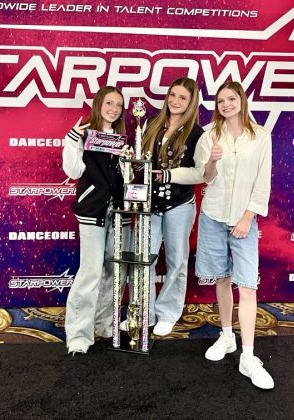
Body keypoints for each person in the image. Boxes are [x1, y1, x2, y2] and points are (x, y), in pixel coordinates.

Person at [195, 81, 274, 389]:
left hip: (244, 221)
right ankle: (227, 336)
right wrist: (212, 160)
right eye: (221, 100)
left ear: (241, 100)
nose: (226, 104)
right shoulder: (209, 135)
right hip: (213, 217)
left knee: (248, 286)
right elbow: (205, 178)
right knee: (222, 279)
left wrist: (247, 217)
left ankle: (249, 357)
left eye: (231, 98)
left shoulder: (261, 136)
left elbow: (262, 182)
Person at [122, 77, 205, 337]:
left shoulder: (197, 134)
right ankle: (142, 314)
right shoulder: (151, 123)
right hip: (150, 204)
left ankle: (168, 313)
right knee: (143, 259)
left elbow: (200, 173)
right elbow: (142, 161)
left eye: (183, 97)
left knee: (176, 261)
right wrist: (130, 159)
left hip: (180, 204)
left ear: (191, 103)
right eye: (173, 95)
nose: (176, 101)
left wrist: (169, 175)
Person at [62, 86, 130, 355]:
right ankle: (79, 335)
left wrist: (127, 161)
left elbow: (127, 179)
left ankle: (104, 325)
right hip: (92, 211)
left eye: (119, 105)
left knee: (115, 271)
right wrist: (72, 140)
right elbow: (73, 170)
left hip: (119, 212)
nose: (114, 109)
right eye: (109, 103)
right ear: (99, 103)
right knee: (90, 272)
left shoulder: (123, 139)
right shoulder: (84, 134)